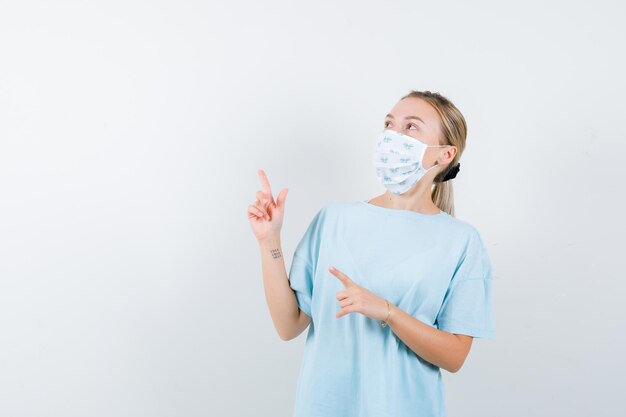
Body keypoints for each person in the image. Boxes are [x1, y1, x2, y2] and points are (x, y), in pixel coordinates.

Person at [247, 90, 495, 417]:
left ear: (444, 154)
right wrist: (269, 241)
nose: (393, 135)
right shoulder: (333, 219)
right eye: (389, 124)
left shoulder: (461, 241)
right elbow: (288, 325)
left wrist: (389, 312)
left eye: (411, 127)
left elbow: (455, 356)